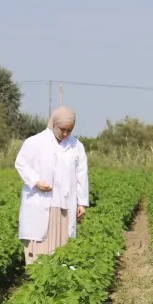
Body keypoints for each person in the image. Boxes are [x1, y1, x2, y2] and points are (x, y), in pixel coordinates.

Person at [16, 107, 89, 264]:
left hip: (64, 206)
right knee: (38, 244)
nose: (65, 134)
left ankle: (57, 275)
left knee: (61, 247)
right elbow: (21, 163)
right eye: (62, 129)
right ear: (53, 124)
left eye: (69, 130)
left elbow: (81, 174)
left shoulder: (77, 146)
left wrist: (82, 202)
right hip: (40, 202)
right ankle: (36, 277)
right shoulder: (35, 142)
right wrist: (36, 181)